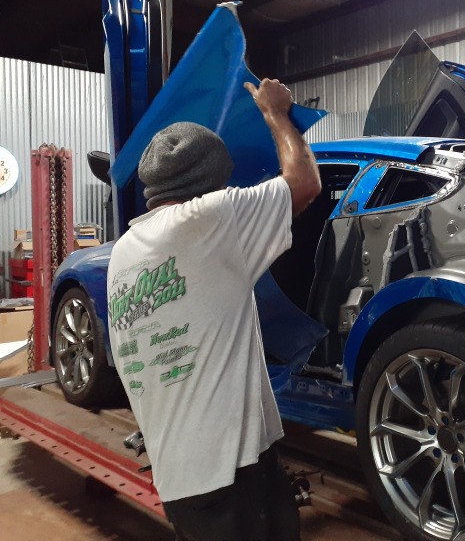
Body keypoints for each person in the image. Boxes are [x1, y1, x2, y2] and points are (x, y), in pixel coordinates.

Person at [107, 78, 321, 541]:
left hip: (183, 471)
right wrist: (275, 112)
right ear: (212, 181)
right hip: (227, 474)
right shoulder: (209, 218)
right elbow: (305, 184)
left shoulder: (124, 251)